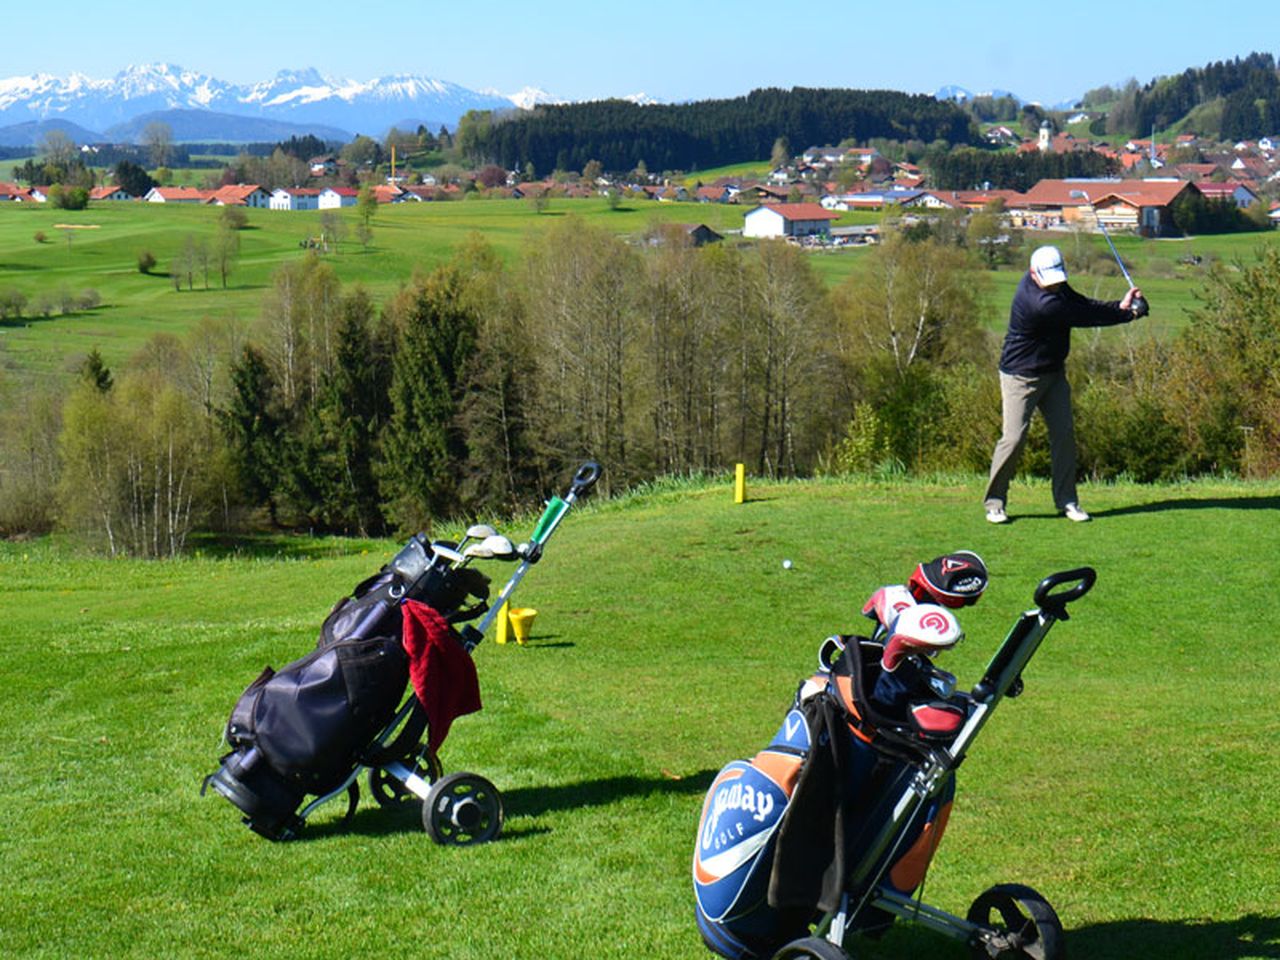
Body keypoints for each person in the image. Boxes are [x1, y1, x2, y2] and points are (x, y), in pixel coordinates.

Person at [984, 245, 1146, 524]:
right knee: (1013, 439)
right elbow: (1082, 316)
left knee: (1064, 436)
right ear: (1033, 273)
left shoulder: (1056, 288)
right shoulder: (1039, 303)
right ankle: (994, 502)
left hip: (1053, 374)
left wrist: (1119, 306)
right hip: (1020, 377)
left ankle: (1067, 500)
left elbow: (1081, 303)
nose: (1056, 285)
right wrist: (1128, 314)